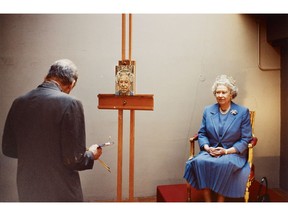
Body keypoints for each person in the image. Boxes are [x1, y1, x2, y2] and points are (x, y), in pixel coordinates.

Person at [2, 59, 102, 202]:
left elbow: (8, 149)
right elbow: (75, 160)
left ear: (46, 77)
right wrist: (91, 154)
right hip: (61, 191)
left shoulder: (19, 102)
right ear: (72, 84)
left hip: (28, 188)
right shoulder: (71, 103)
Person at [183, 74, 252, 202]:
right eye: (217, 92)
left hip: (232, 153)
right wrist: (208, 148)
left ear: (231, 94)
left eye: (224, 92)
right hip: (211, 151)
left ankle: (220, 202)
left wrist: (226, 151)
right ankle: (208, 202)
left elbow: (245, 139)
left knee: (223, 163)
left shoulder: (242, 112)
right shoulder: (208, 110)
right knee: (199, 162)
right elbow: (202, 133)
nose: (220, 95)